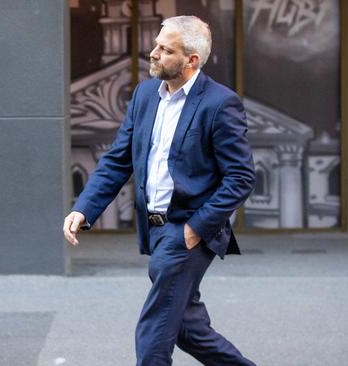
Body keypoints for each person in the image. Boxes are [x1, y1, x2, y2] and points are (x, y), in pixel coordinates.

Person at [63, 15, 257, 366]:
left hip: (187, 229)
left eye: (165, 50)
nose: (153, 53)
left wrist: (195, 229)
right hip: (154, 228)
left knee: (153, 328)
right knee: (187, 328)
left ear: (191, 60)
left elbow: (241, 177)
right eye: (156, 44)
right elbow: (119, 159)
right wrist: (84, 208)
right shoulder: (144, 95)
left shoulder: (219, 104)